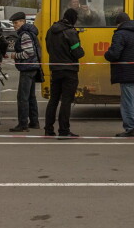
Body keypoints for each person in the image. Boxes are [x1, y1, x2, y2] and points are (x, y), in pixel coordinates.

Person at [104, 12, 134, 137]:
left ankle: (130, 128)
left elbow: (114, 54)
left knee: (128, 101)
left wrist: (106, 54)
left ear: (119, 23)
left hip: (127, 73)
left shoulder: (120, 34)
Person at [44, 8, 85, 138]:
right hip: (69, 71)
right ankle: (64, 130)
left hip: (55, 69)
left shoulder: (51, 30)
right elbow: (78, 53)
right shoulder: (70, 32)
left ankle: (48, 129)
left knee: (53, 100)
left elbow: (48, 48)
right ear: (73, 19)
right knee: (66, 101)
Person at [9, 11, 42, 132]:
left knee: (22, 97)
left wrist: (15, 55)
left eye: (16, 22)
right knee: (31, 97)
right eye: (13, 23)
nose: (14, 25)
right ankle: (34, 122)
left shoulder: (24, 35)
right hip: (33, 67)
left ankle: (23, 124)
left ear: (23, 22)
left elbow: (28, 53)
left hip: (27, 68)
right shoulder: (31, 32)